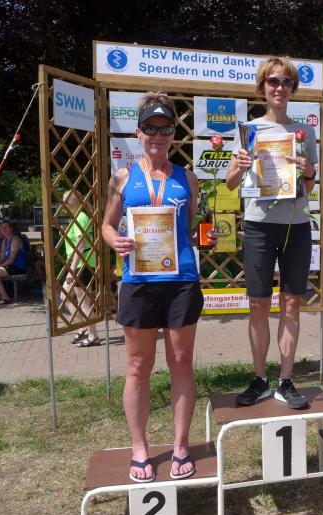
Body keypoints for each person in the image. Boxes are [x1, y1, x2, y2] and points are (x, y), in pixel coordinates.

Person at [101, 93, 217, 483]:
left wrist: (205, 237)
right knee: (138, 367)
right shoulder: (121, 178)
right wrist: (115, 241)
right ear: (138, 133)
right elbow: (106, 225)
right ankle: (140, 449)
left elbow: (193, 230)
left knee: (181, 363)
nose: (157, 135)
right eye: (149, 128)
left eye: (165, 128)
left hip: (181, 281)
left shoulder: (187, 178)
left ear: (173, 134)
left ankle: (181, 445)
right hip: (138, 282)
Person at [225, 57, 318, 410]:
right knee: (258, 303)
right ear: (262, 87)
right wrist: (239, 168)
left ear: (293, 89)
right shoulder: (249, 130)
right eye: (273, 81)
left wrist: (309, 172)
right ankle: (260, 378)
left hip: (295, 225)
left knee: (292, 302)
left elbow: (308, 187)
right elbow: (230, 183)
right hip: (259, 225)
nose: (279, 88)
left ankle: (286, 380)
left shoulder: (304, 132)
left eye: (286, 82)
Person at [61, 190, 100, 347]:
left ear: (75, 202)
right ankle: (84, 327)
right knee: (65, 296)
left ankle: (93, 335)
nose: (63, 205)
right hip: (79, 263)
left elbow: (81, 246)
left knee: (83, 302)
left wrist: (72, 269)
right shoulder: (77, 217)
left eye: (66, 201)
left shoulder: (80, 217)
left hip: (82, 264)